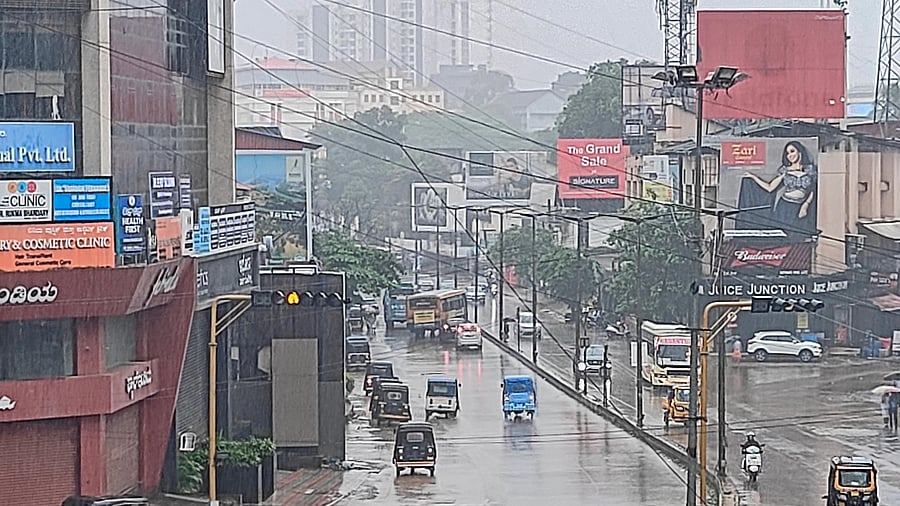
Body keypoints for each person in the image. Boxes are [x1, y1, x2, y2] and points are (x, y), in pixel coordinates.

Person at [738, 141, 818, 238]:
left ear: (799, 152)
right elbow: (770, 188)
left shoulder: (810, 169)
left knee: (799, 237)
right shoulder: (785, 170)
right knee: (783, 236)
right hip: (785, 207)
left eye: (792, 151)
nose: (790, 155)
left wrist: (806, 204)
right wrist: (753, 177)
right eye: (787, 153)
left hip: (800, 206)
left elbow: (813, 190)